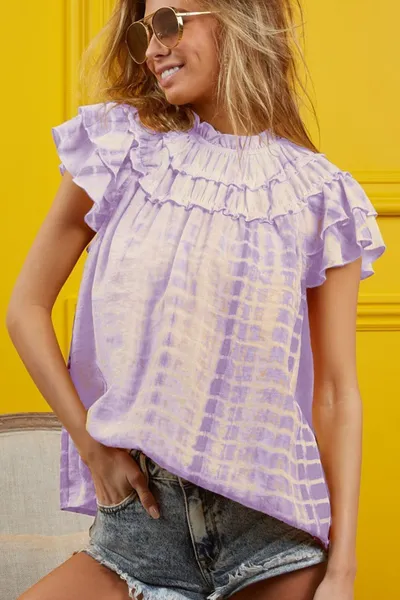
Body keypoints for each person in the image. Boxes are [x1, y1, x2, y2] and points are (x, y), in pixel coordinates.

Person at [6, 0, 386, 599]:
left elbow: (337, 393)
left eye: (169, 22)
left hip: (271, 542)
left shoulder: (320, 195)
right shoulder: (120, 148)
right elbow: (26, 307)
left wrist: (343, 571)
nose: (154, 48)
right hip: (140, 529)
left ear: (237, 18)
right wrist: (91, 445)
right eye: (144, 31)